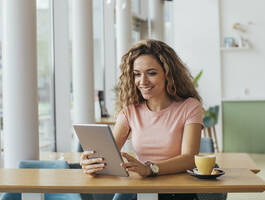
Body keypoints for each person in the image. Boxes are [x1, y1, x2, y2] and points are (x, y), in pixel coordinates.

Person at [80, 39, 204, 200]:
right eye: (137, 74)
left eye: (151, 73)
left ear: (168, 74)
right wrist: (90, 163)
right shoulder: (130, 112)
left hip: (178, 192)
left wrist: (150, 169)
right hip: (141, 191)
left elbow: (189, 159)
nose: (142, 81)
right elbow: (107, 155)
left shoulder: (190, 107)